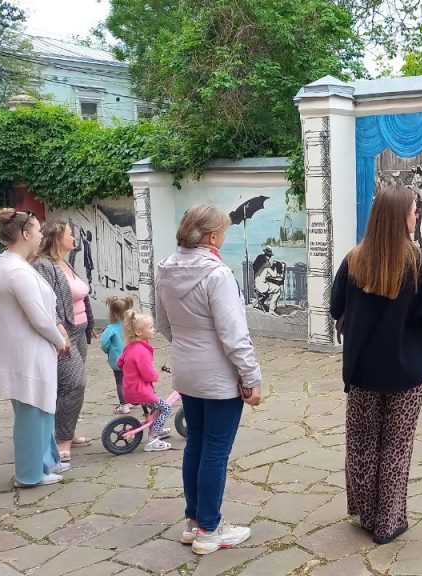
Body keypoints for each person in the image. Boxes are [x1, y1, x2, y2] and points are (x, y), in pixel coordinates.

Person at [331, 183, 422, 545]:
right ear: (401, 217)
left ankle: (368, 514)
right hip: (406, 370)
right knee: (397, 446)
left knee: (362, 443)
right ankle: (388, 522)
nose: (418, 215)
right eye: (414, 210)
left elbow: (336, 307)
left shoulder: (354, 260)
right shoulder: (420, 263)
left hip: (363, 368)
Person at [155, 204, 262, 556]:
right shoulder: (217, 275)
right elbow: (234, 334)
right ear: (213, 237)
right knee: (215, 450)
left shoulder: (166, 269)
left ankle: (194, 521)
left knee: (197, 445)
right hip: (218, 376)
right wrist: (251, 376)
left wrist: (189, 346)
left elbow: (163, 324)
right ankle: (210, 529)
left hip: (186, 371)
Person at [0, 209, 70, 487]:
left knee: (39, 409)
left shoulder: (5, 263)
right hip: (27, 352)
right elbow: (39, 318)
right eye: (37, 230)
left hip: (24, 350)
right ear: (25, 234)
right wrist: (60, 340)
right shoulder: (16, 271)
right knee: (33, 411)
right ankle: (30, 474)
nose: (41, 235)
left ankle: (45, 462)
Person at [32, 221, 94, 463]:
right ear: (57, 238)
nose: (74, 238)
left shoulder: (65, 262)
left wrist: (88, 324)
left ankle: (64, 431)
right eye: (69, 234)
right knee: (74, 385)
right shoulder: (43, 265)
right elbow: (45, 302)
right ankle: (62, 441)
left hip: (79, 332)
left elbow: (80, 295)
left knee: (65, 387)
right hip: (64, 335)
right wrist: (60, 332)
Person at [117, 310, 172, 452]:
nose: (153, 329)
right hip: (140, 391)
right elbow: (148, 374)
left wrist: (130, 370)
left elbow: (120, 363)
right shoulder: (141, 351)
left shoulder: (130, 347)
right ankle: (153, 439)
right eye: (151, 327)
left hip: (130, 389)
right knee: (166, 408)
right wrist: (155, 376)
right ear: (139, 332)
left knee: (157, 407)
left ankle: (155, 426)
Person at [100, 296, 135, 414]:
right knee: (130, 380)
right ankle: (131, 400)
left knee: (120, 381)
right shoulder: (132, 327)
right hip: (132, 359)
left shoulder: (111, 329)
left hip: (117, 360)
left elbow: (104, 343)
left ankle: (124, 405)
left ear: (112, 312)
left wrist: (108, 351)